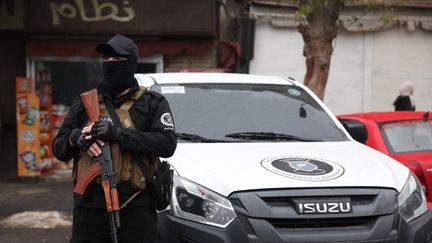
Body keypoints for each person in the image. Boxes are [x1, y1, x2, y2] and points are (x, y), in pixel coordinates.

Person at [52, 34, 177, 243]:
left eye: (117, 60)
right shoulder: (85, 103)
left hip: (136, 206)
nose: (110, 64)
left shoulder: (152, 103)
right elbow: (58, 147)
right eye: (106, 59)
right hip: (89, 209)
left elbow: (167, 144)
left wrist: (118, 134)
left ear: (131, 63)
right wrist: (76, 138)